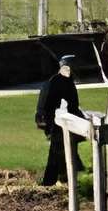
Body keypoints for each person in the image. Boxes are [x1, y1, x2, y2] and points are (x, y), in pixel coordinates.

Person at [33, 53, 86, 189]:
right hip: (49, 120)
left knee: (62, 148)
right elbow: (70, 107)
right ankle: (55, 180)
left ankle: (61, 178)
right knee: (60, 147)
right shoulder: (60, 82)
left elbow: (72, 106)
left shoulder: (62, 81)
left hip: (51, 119)